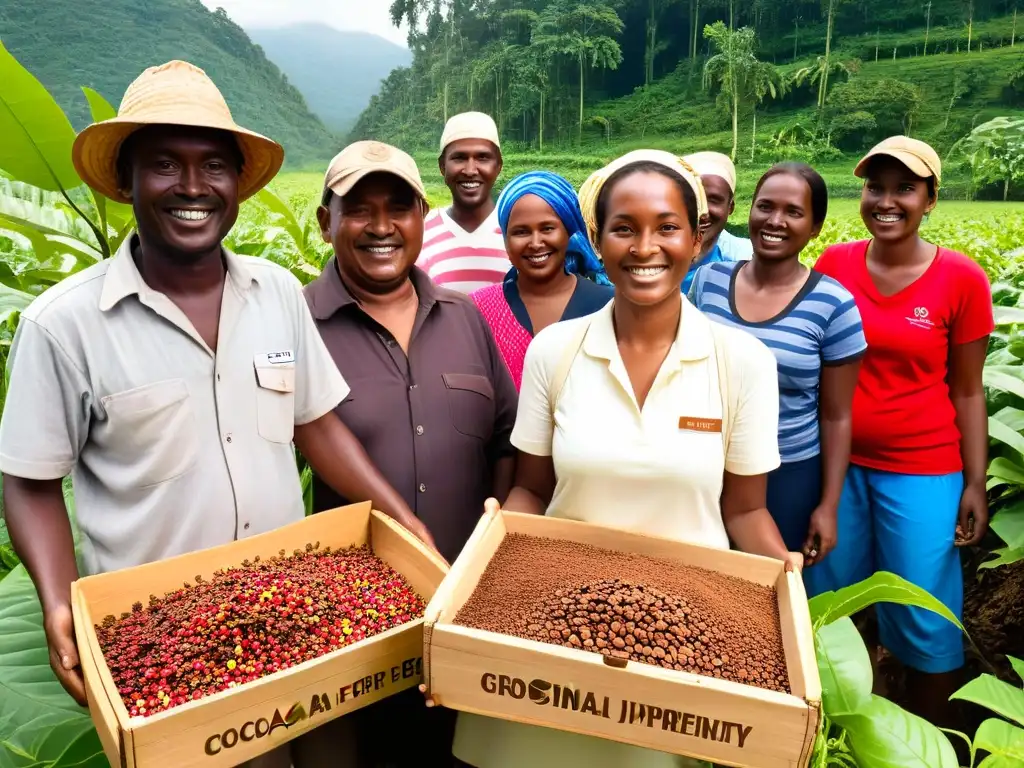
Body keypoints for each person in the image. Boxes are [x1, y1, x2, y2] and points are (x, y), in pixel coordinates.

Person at [0, 61, 430, 768]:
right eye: (165, 164)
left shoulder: (278, 293)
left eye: (214, 166)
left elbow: (314, 422)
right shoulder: (64, 325)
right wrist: (55, 602)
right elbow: (31, 481)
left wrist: (394, 514)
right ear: (127, 180)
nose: (193, 187)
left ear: (238, 183)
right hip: (164, 637)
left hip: (295, 609)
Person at [449, 150, 796, 768]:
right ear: (599, 242)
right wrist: (490, 552)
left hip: (682, 642)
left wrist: (786, 588)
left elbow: (745, 512)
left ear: (696, 239)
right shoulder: (555, 352)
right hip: (553, 624)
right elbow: (533, 489)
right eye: (624, 228)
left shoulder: (741, 362)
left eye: (666, 227)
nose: (645, 248)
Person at [301, 139, 519, 767]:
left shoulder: (465, 317)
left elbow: (505, 439)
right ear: (326, 224)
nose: (380, 227)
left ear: (422, 219)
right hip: (354, 622)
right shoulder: (295, 324)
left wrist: (492, 561)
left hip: (467, 608)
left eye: (398, 208)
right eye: (358, 210)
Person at [808, 136, 993, 727]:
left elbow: (967, 389)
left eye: (904, 189)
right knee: (827, 600)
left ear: (931, 199)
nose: (886, 201)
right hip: (834, 467)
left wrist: (975, 483)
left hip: (923, 469)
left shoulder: (961, 280)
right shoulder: (834, 263)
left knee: (924, 607)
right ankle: (831, 729)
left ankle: (927, 738)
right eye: (875, 187)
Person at [689, 163, 866, 565]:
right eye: (765, 206)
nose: (775, 221)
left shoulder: (834, 305)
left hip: (788, 472)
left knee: (771, 582)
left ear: (816, 226)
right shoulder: (708, 281)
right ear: (748, 211)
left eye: (794, 212)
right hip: (707, 460)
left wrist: (828, 506)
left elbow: (837, 416)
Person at [470, 170, 614, 390]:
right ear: (506, 240)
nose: (536, 242)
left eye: (547, 228)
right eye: (521, 232)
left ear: (569, 233)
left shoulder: (610, 306)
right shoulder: (479, 308)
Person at [416, 112, 512, 293]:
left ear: (498, 166)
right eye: (459, 158)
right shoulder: (420, 232)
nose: (470, 170)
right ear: (442, 167)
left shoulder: (518, 231)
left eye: (482, 158)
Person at [681, 151, 753, 295]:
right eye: (692, 198)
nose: (702, 211)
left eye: (713, 200)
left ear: (730, 207)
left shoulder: (746, 259)